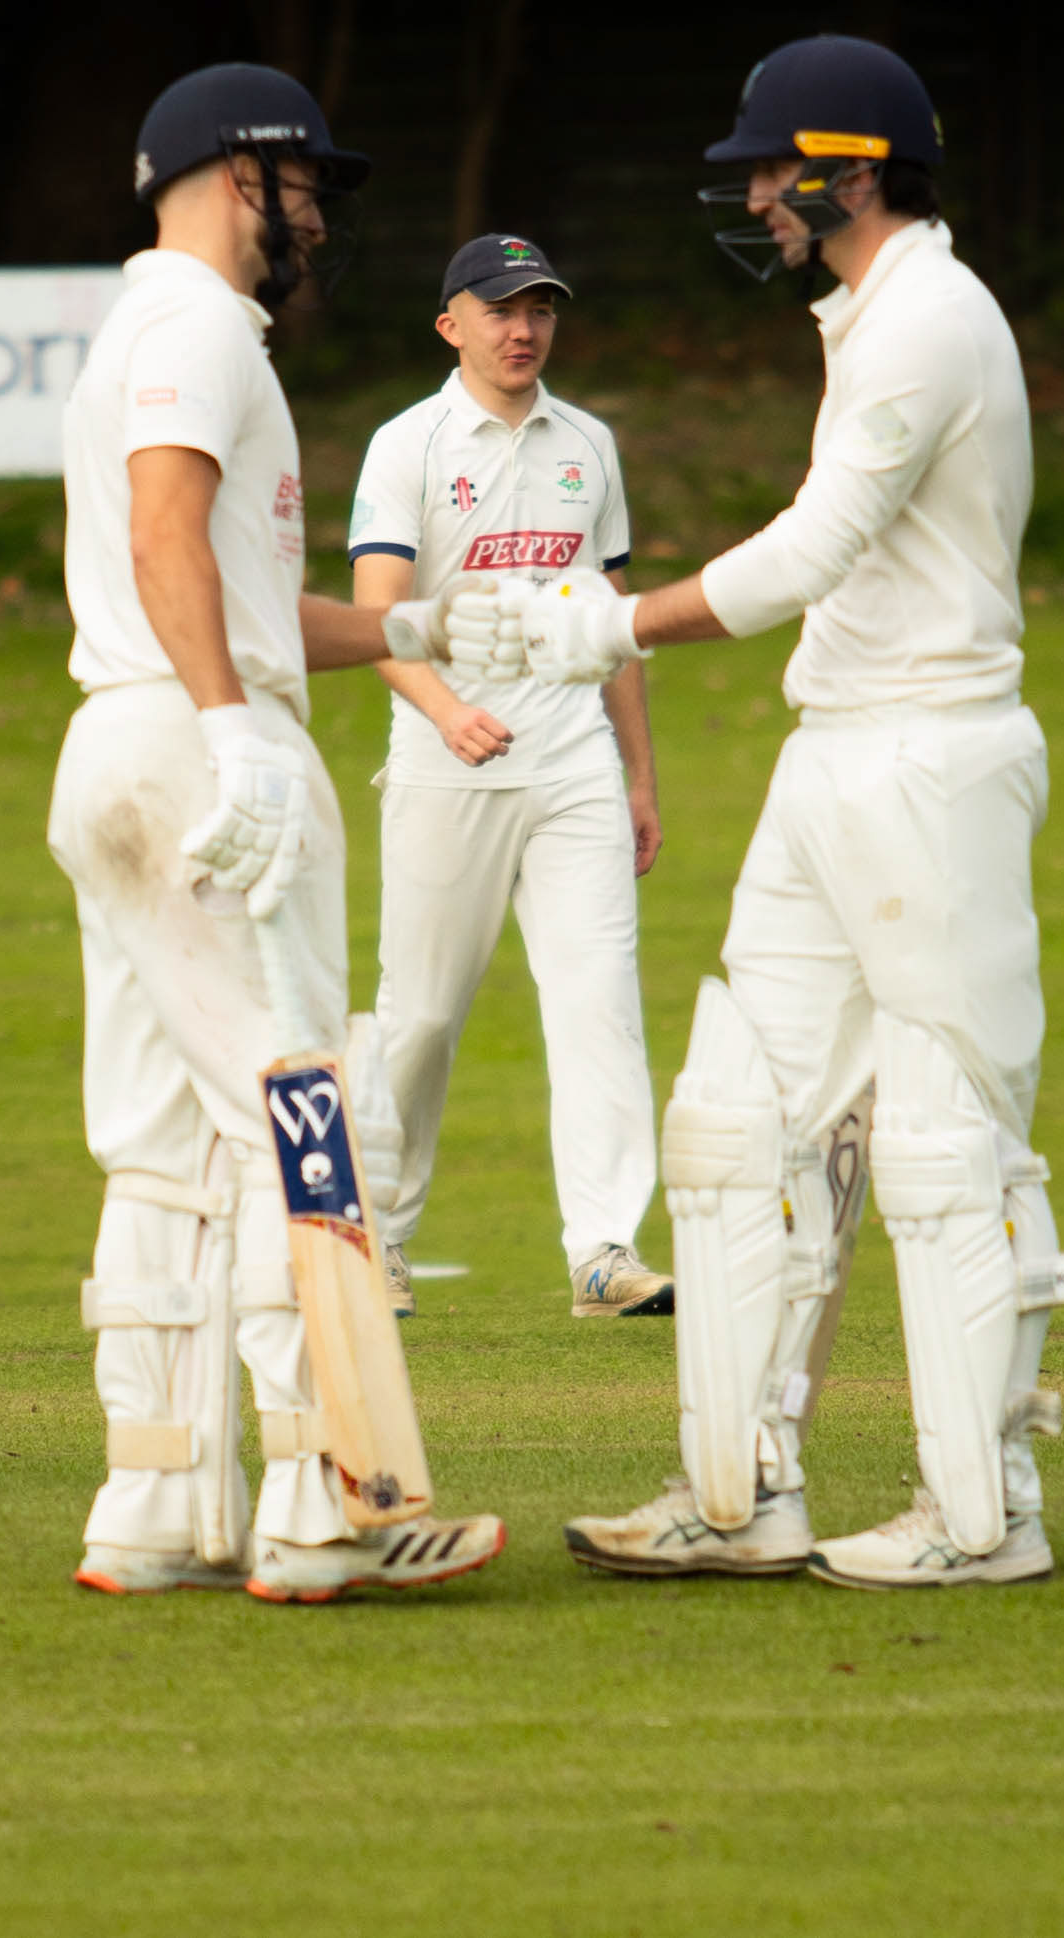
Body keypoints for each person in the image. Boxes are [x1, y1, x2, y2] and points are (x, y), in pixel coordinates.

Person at [521, 35, 1064, 1588]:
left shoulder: (927, 323)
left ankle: (987, 1514)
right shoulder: (867, 316)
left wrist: (611, 625)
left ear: (851, 169)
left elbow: (810, 546)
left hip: (928, 756)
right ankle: (736, 1488)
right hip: (834, 746)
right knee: (738, 1120)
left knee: (947, 1141)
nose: (755, 195)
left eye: (773, 168)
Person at [46, 62, 511, 1602]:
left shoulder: (132, 327)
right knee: (303, 1107)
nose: (314, 216)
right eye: (307, 184)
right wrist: (236, 732)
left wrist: (432, 624)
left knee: (167, 1132)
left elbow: (235, 589)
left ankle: (157, 1505)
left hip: (123, 744)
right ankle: (337, 1497)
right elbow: (169, 536)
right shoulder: (193, 327)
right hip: (198, 747)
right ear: (241, 175)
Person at [348, 233, 672, 1320]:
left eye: (539, 309)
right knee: (423, 1016)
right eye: (500, 310)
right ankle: (375, 1236)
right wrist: (446, 712)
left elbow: (613, 620)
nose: (523, 328)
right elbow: (374, 617)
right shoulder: (411, 445)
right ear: (452, 325)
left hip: (572, 761)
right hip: (449, 766)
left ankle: (606, 1250)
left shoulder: (589, 443)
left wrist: (639, 776)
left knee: (597, 1004)